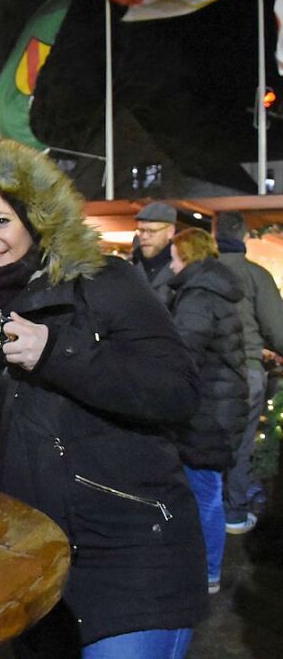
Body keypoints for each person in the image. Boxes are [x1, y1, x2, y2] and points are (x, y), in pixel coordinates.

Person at [0, 135, 205, 659]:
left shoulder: (102, 282)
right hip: (27, 566)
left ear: (33, 219)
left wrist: (55, 352)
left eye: (1, 220)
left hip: (129, 558)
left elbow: (177, 389)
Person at [166, 228, 248, 595]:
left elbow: (183, 356)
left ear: (185, 256)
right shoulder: (211, 290)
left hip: (208, 412)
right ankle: (206, 568)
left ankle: (208, 572)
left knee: (203, 492)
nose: (170, 263)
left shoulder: (198, 296)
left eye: (173, 255)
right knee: (205, 489)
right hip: (219, 406)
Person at [214, 211, 283, 534]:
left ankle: (209, 511)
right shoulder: (256, 276)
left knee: (208, 443)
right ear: (243, 236)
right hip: (247, 372)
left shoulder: (203, 272)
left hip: (209, 373)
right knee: (242, 445)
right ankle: (234, 512)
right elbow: (277, 329)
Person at [132, 201, 177, 305]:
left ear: (170, 232)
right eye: (141, 231)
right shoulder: (130, 267)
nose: (144, 237)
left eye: (151, 231)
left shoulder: (181, 269)